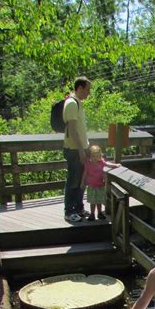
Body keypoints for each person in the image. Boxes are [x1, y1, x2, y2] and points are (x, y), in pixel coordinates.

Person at [63, 76, 91, 223]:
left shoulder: (78, 103)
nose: (89, 93)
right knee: (73, 180)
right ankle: (69, 211)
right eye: (87, 89)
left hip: (81, 148)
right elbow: (73, 130)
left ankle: (79, 208)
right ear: (79, 88)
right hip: (74, 149)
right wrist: (81, 150)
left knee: (82, 179)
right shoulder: (71, 104)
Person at [81, 144, 120, 221]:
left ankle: (99, 213)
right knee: (92, 201)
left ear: (100, 156)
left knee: (99, 200)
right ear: (90, 156)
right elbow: (85, 174)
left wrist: (115, 165)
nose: (95, 158)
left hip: (100, 185)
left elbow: (108, 164)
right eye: (93, 156)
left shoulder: (101, 162)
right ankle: (92, 214)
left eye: (97, 156)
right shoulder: (88, 164)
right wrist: (82, 182)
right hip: (92, 186)